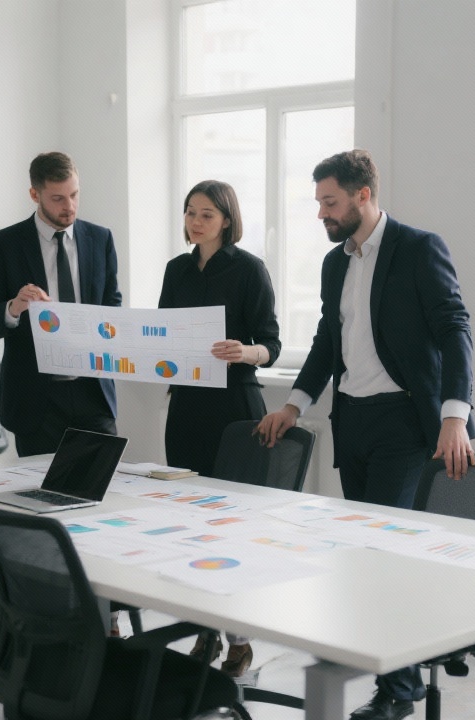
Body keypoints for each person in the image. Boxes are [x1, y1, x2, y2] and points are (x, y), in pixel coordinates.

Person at [256, 150, 475, 720]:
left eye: (330, 202)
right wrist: (295, 404)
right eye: (319, 204)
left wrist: (455, 413)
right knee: (368, 550)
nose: (322, 214)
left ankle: (400, 690)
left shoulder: (418, 248)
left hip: (407, 423)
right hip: (351, 421)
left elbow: (455, 328)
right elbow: (331, 339)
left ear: (363, 195)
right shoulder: (337, 263)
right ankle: (401, 674)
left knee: (384, 554)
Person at [158, 180, 280, 677]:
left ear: (226, 218)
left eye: (206, 213)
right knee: (189, 529)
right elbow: (163, 332)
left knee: (232, 528)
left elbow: (270, 342)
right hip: (186, 407)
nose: (195, 221)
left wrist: (244, 350)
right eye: (190, 212)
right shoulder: (176, 269)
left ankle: (240, 640)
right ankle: (203, 634)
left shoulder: (249, 269)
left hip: (234, 407)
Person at [0, 151, 121, 457]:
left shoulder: (100, 239)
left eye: (75, 195)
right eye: (58, 199)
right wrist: (13, 307)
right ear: (34, 194)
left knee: (100, 489)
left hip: (93, 392)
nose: (70, 207)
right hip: (36, 401)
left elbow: (112, 307)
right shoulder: (4, 245)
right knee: (41, 498)